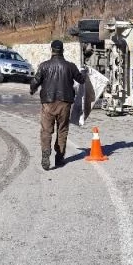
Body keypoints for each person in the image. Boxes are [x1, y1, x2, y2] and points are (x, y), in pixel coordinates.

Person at [30, 40, 86, 170]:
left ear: (52, 50)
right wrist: (84, 73)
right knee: (62, 130)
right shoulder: (70, 66)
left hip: (48, 104)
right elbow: (81, 80)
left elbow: (35, 81)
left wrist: (32, 89)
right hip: (65, 103)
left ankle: (45, 153)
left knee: (46, 130)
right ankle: (59, 157)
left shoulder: (44, 66)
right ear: (63, 50)